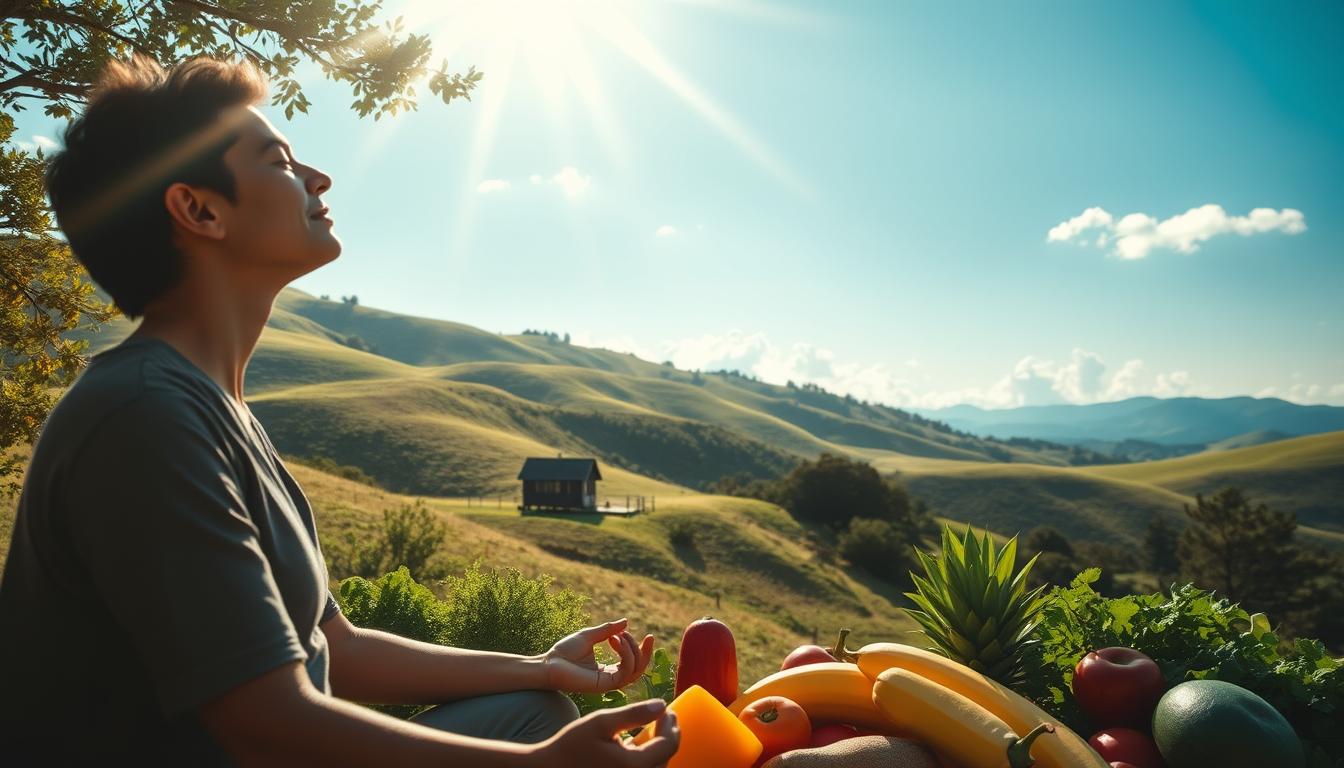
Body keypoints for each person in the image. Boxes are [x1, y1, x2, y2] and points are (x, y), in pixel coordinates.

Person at [0, 55, 680, 766]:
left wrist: (539, 665)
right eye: (280, 161)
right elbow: (265, 725)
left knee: (534, 707)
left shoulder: (217, 409)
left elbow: (340, 649)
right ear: (200, 210)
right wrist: (541, 767)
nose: (317, 178)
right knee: (537, 741)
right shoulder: (144, 418)